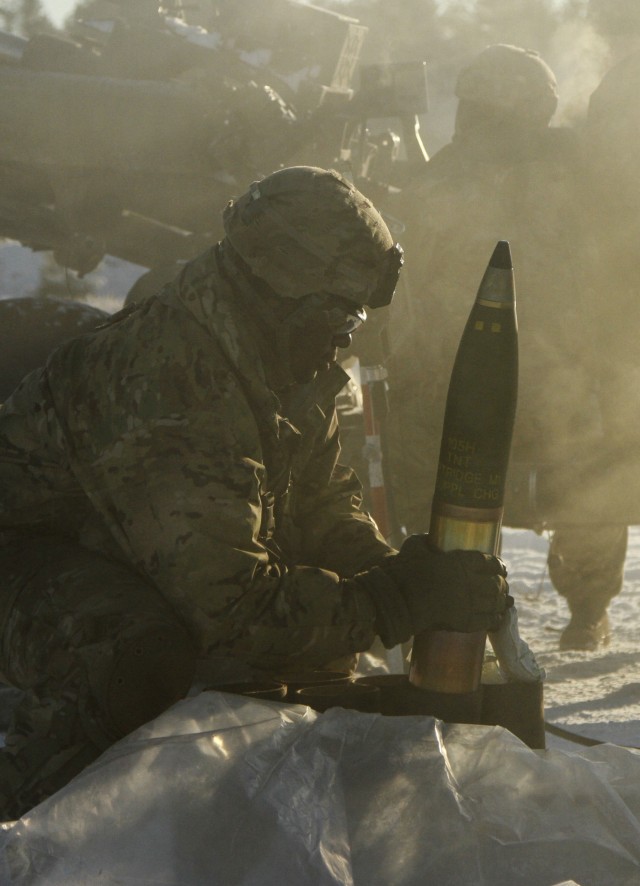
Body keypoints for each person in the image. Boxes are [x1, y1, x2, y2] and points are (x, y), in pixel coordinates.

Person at [0, 166, 510, 819]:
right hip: (21, 554)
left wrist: (395, 574)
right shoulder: (171, 377)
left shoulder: (287, 354)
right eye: (340, 304)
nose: (350, 330)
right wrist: (393, 600)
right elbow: (232, 608)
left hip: (110, 542)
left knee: (316, 642)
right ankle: (31, 827)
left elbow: (320, 506)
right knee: (131, 652)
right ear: (277, 283)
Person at [385, 45, 626, 652]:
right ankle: (584, 612)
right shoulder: (574, 164)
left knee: (439, 474)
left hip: (483, 378)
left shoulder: (440, 174)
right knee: (587, 475)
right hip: (546, 377)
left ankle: (448, 603)